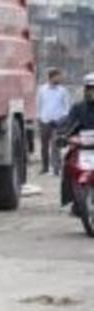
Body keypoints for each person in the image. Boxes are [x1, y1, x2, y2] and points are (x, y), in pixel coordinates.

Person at [57, 73, 94, 212]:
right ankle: (73, 198)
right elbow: (68, 123)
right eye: (90, 88)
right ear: (85, 90)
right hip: (82, 146)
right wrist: (61, 135)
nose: (92, 92)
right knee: (68, 164)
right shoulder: (78, 107)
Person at [37, 68, 71, 175]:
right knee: (44, 146)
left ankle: (56, 168)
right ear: (51, 77)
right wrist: (39, 118)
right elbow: (39, 104)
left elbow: (67, 107)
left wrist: (62, 119)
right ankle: (45, 167)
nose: (59, 78)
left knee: (55, 145)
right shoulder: (42, 90)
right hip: (44, 121)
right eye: (57, 76)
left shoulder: (63, 91)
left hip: (57, 122)